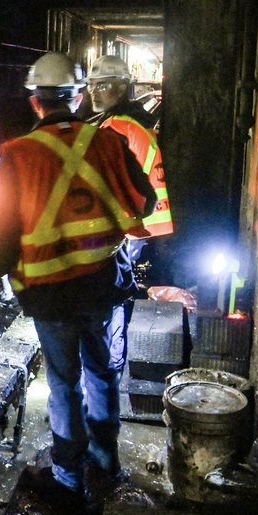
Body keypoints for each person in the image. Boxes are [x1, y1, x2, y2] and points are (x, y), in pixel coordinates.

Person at [0, 52, 155, 498]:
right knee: (103, 371)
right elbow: (145, 201)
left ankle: (69, 474)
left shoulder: (15, 154)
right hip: (101, 285)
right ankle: (106, 459)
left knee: (63, 381)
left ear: (35, 102)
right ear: (76, 98)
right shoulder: (108, 142)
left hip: (49, 292)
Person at [84, 54, 174, 349]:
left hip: (129, 227)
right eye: (91, 85)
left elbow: (106, 184)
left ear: (121, 88)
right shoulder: (134, 121)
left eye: (101, 86)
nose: (93, 92)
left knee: (111, 301)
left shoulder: (118, 128)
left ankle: (110, 356)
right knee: (121, 293)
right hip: (144, 224)